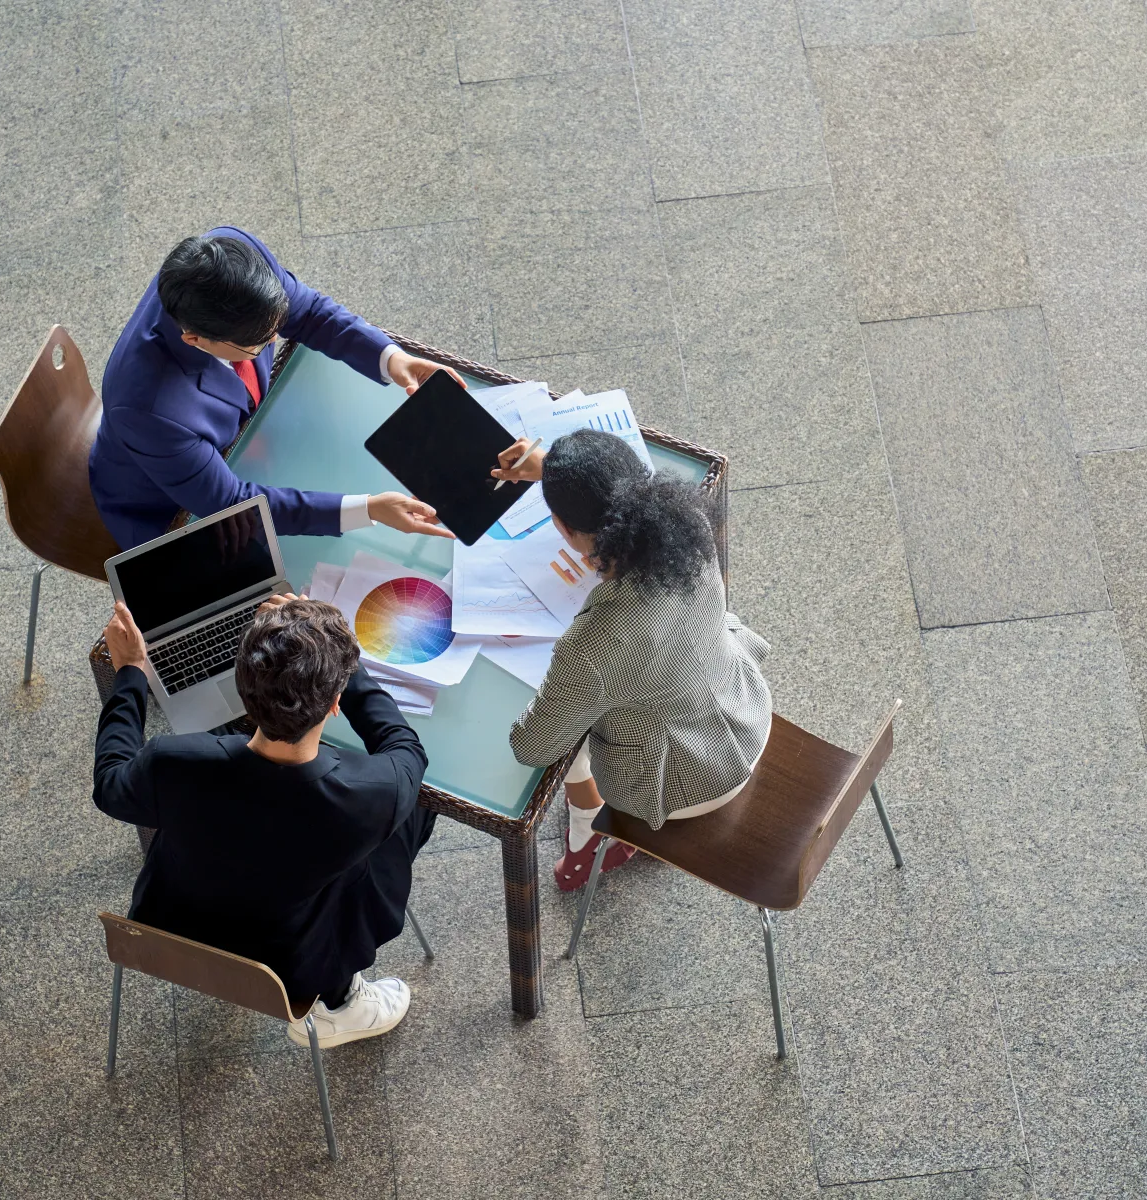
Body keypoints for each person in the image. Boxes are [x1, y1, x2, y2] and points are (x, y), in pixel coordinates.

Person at [92, 592, 437, 1047]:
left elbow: (110, 782)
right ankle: (343, 1002)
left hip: (173, 931)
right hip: (292, 966)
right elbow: (405, 748)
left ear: (243, 689)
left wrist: (132, 671)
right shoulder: (373, 792)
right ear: (335, 704)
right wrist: (340, 666)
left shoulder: (170, 762)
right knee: (417, 809)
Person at [497, 430, 773, 891]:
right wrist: (552, 470)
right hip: (741, 710)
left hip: (685, 783)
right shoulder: (689, 526)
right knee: (593, 702)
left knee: (572, 725)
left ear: (564, 530)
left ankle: (587, 832)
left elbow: (532, 748)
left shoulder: (595, 644)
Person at [89, 226, 461, 550]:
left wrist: (392, 359)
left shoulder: (233, 250)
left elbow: (309, 311)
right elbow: (232, 505)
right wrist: (367, 509)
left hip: (244, 442)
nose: (273, 341)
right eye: (259, 342)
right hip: (170, 508)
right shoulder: (149, 409)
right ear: (195, 339)